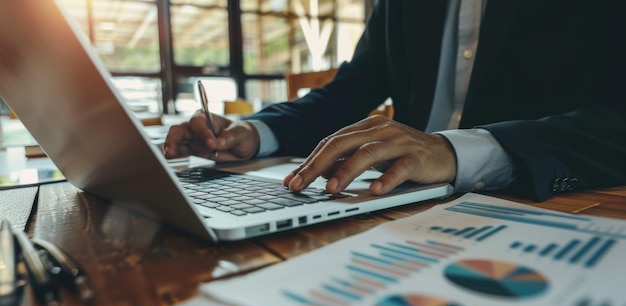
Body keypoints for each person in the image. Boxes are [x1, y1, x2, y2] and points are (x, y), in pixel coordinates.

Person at [164, 0, 626, 202]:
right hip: (399, 201)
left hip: (551, 199)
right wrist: (254, 132)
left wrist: (455, 150)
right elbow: (349, 91)